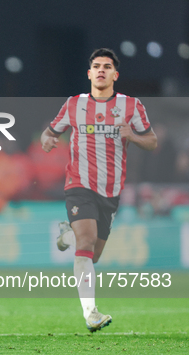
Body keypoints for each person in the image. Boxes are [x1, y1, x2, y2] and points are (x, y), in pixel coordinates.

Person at [41, 48, 157, 332]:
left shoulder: (131, 106)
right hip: (78, 183)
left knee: (93, 254)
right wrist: (46, 140)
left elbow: (152, 141)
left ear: (115, 75)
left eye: (107, 66)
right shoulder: (74, 104)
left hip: (111, 190)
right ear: (89, 73)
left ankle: (67, 234)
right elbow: (51, 132)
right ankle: (91, 313)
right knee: (87, 240)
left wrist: (133, 136)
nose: (101, 70)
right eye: (96, 66)